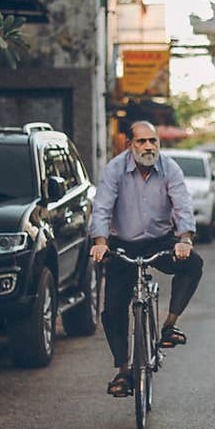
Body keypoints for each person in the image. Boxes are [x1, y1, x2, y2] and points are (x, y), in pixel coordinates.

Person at [89, 121, 203, 397]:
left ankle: (169, 325)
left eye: (153, 141)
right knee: (112, 309)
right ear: (130, 145)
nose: (149, 146)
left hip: (160, 241)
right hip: (122, 244)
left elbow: (182, 204)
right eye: (141, 141)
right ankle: (123, 371)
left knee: (194, 264)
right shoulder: (115, 169)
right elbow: (102, 207)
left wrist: (184, 239)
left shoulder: (170, 168)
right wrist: (101, 243)